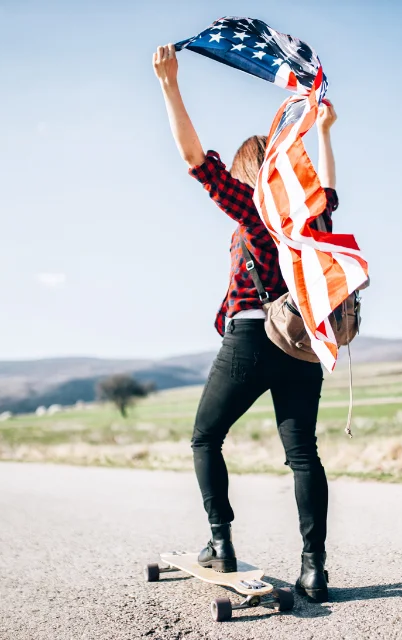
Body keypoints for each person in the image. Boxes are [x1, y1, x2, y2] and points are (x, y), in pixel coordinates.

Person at [152, 44, 337, 602]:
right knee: (303, 452)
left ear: (249, 173)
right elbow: (326, 184)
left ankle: (220, 542)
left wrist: (169, 86)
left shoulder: (254, 210)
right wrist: (323, 128)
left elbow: (193, 160)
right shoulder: (311, 215)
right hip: (305, 342)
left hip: (254, 336)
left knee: (205, 436)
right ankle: (313, 569)